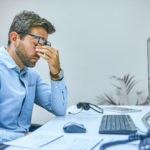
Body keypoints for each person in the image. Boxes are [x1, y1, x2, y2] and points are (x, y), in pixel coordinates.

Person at [0, 10, 68, 143]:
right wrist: (26, 137)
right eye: (36, 43)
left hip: (25, 143)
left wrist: (56, 73)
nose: (40, 51)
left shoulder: (31, 75)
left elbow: (59, 109)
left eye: (43, 45)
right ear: (14, 38)